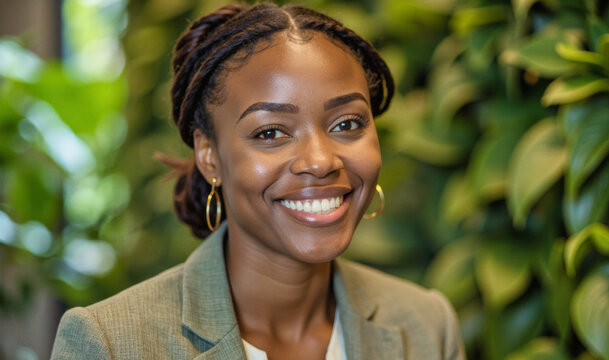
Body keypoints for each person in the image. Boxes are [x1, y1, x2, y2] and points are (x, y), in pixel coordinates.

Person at [51, 2, 465, 359]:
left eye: (347, 123)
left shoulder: (427, 327)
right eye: (270, 133)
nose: (321, 161)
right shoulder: (110, 343)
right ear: (209, 156)